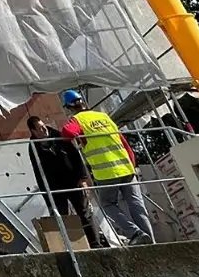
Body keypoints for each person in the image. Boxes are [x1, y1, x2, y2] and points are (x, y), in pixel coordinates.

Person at [60, 90, 154, 246]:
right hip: (126, 168)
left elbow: (67, 133)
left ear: (68, 107)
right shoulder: (104, 117)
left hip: (106, 172)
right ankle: (150, 239)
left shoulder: (77, 119)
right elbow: (123, 141)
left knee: (108, 205)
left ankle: (136, 233)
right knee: (137, 204)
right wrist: (132, 164)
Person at [27, 116, 102, 248]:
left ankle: (95, 244)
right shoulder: (33, 146)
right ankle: (72, 247)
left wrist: (83, 179)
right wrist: (47, 197)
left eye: (43, 125)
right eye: (40, 128)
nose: (44, 129)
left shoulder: (59, 136)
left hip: (73, 181)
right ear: (33, 131)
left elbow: (76, 157)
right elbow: (38, 172)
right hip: (55, 187)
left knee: (84, 212)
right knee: (62, 217)